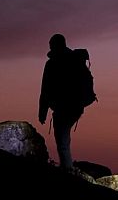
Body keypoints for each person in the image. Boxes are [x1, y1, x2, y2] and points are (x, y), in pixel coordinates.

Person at [38, 34, 91, 171]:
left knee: (62, 139)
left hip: (62, 107)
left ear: (54, 45)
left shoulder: (52, 64)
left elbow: (45, 88)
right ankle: (67, 167)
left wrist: (42, 112)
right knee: (64, 136)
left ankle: (67, 169)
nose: (50, 47)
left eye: (51, 45)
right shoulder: (75, 60)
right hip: (77, 106)